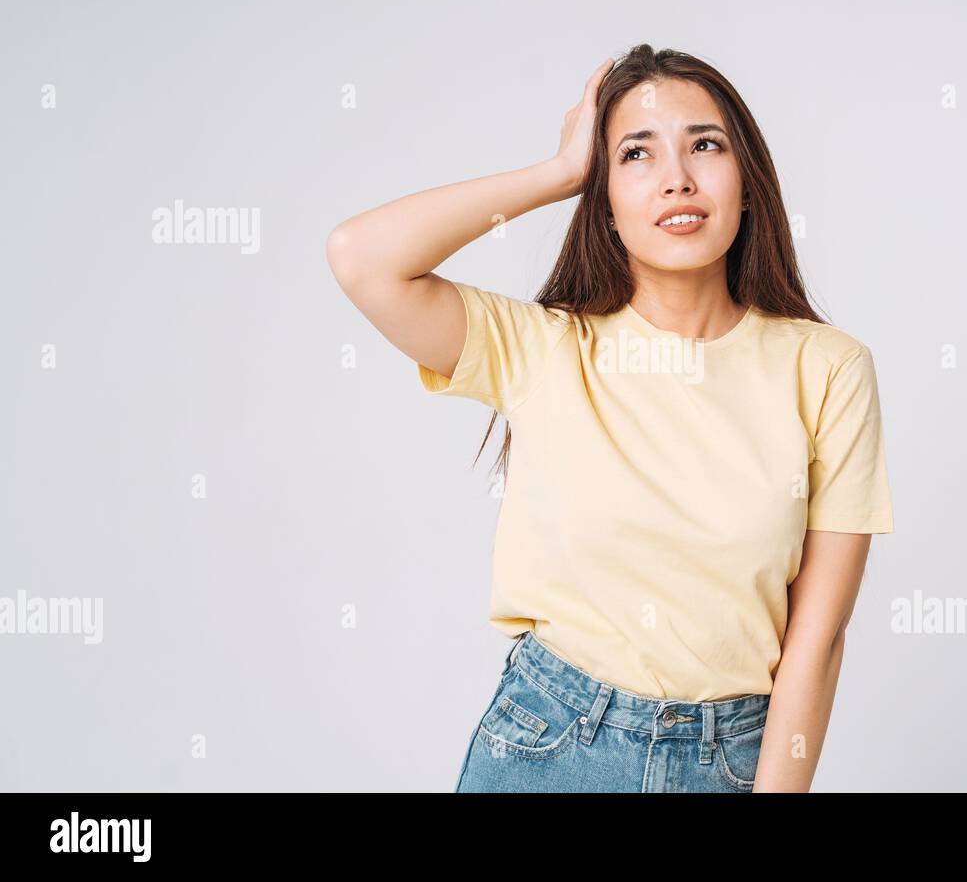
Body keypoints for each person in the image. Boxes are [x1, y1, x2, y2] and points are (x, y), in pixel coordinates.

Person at [325, 44, 894, 792]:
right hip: (551, 746)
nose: (677, 178)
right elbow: (362, 257)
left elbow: (815, 644)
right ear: (606, 198)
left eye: (705, 145)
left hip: (732, 760)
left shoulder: (827, 369)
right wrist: (556, 173)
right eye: (635, 155)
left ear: (748, 183)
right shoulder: (544, 347)